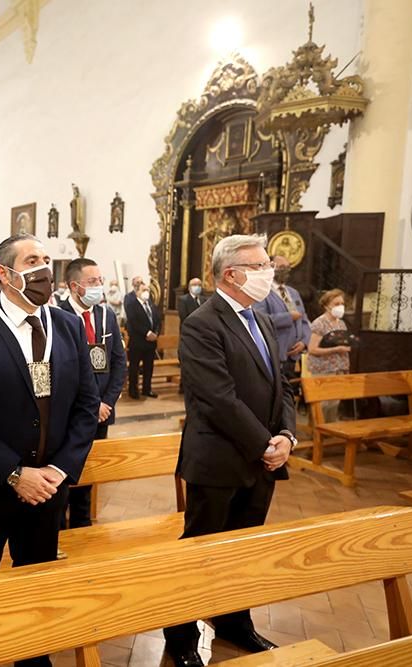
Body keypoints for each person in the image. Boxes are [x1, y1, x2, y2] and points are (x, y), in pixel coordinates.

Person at [0, 234, 99, 667]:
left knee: (36, 591)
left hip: (48, 491)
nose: (45, 268)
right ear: (5, 274)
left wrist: (60, 470)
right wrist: (13, 473)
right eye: (33, 260)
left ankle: (33, 657)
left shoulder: (64, 324)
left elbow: (87, 404)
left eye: (47, 259)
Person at [163, 233, 296, 667]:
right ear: (232, 274)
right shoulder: (203, 323)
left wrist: (287, 438)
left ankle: (234, 621)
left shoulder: (258, 318)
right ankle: (180, 636)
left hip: (261, 461)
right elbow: (218, 398)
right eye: (260, 267)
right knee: (201, 550)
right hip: (219, 460)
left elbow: (282, 386)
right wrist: (264, 444)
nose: (268, 273)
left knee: (243, 550)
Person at [58, 258, 127, 528]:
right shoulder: (58, 316)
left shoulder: (105, 315)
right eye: (93, 282)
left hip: (102, 412)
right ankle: (59, 527)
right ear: (75, 286)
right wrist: (90, 404)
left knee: (91, 468)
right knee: (65, 469)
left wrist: (106, 401)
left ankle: (82, 523)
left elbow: (118, 361)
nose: (99, 286)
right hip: (71, 411)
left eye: (100, 280)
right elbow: (61, 369)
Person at [253, 255, 311, 377]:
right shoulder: (262, 291)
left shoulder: (293, 292)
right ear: (269, 268)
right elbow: (260, 319)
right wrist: (288, 317)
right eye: (281, 267)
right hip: (275, 355)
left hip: (295, 356)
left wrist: (304, 342)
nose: (285, 270)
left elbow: (304, 320)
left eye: (288, 267)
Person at [307, 288, 352, 423]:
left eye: (342, 303)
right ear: (327, 305)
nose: (340, 307)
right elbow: (312, 349)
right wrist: (337, 349)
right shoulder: (319, 323)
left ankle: (331, 432)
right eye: (336, 303)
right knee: (323, 404)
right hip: (323, 369)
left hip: (339, 368)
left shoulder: (341, 323)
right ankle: (316, 433)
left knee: (334, 403)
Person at [123, 280, 163, 399]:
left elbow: (158, 320)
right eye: (143, 290)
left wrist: (156, 333)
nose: (146, 292)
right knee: (134, 367)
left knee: (148, 367)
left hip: (151, 342)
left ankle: (147, 389)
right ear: (137, 292)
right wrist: (147, 332)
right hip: (138, 341)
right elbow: (133, 322)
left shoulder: (151, 304)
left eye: (147, 290)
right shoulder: (132, 305)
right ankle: (133, 390)